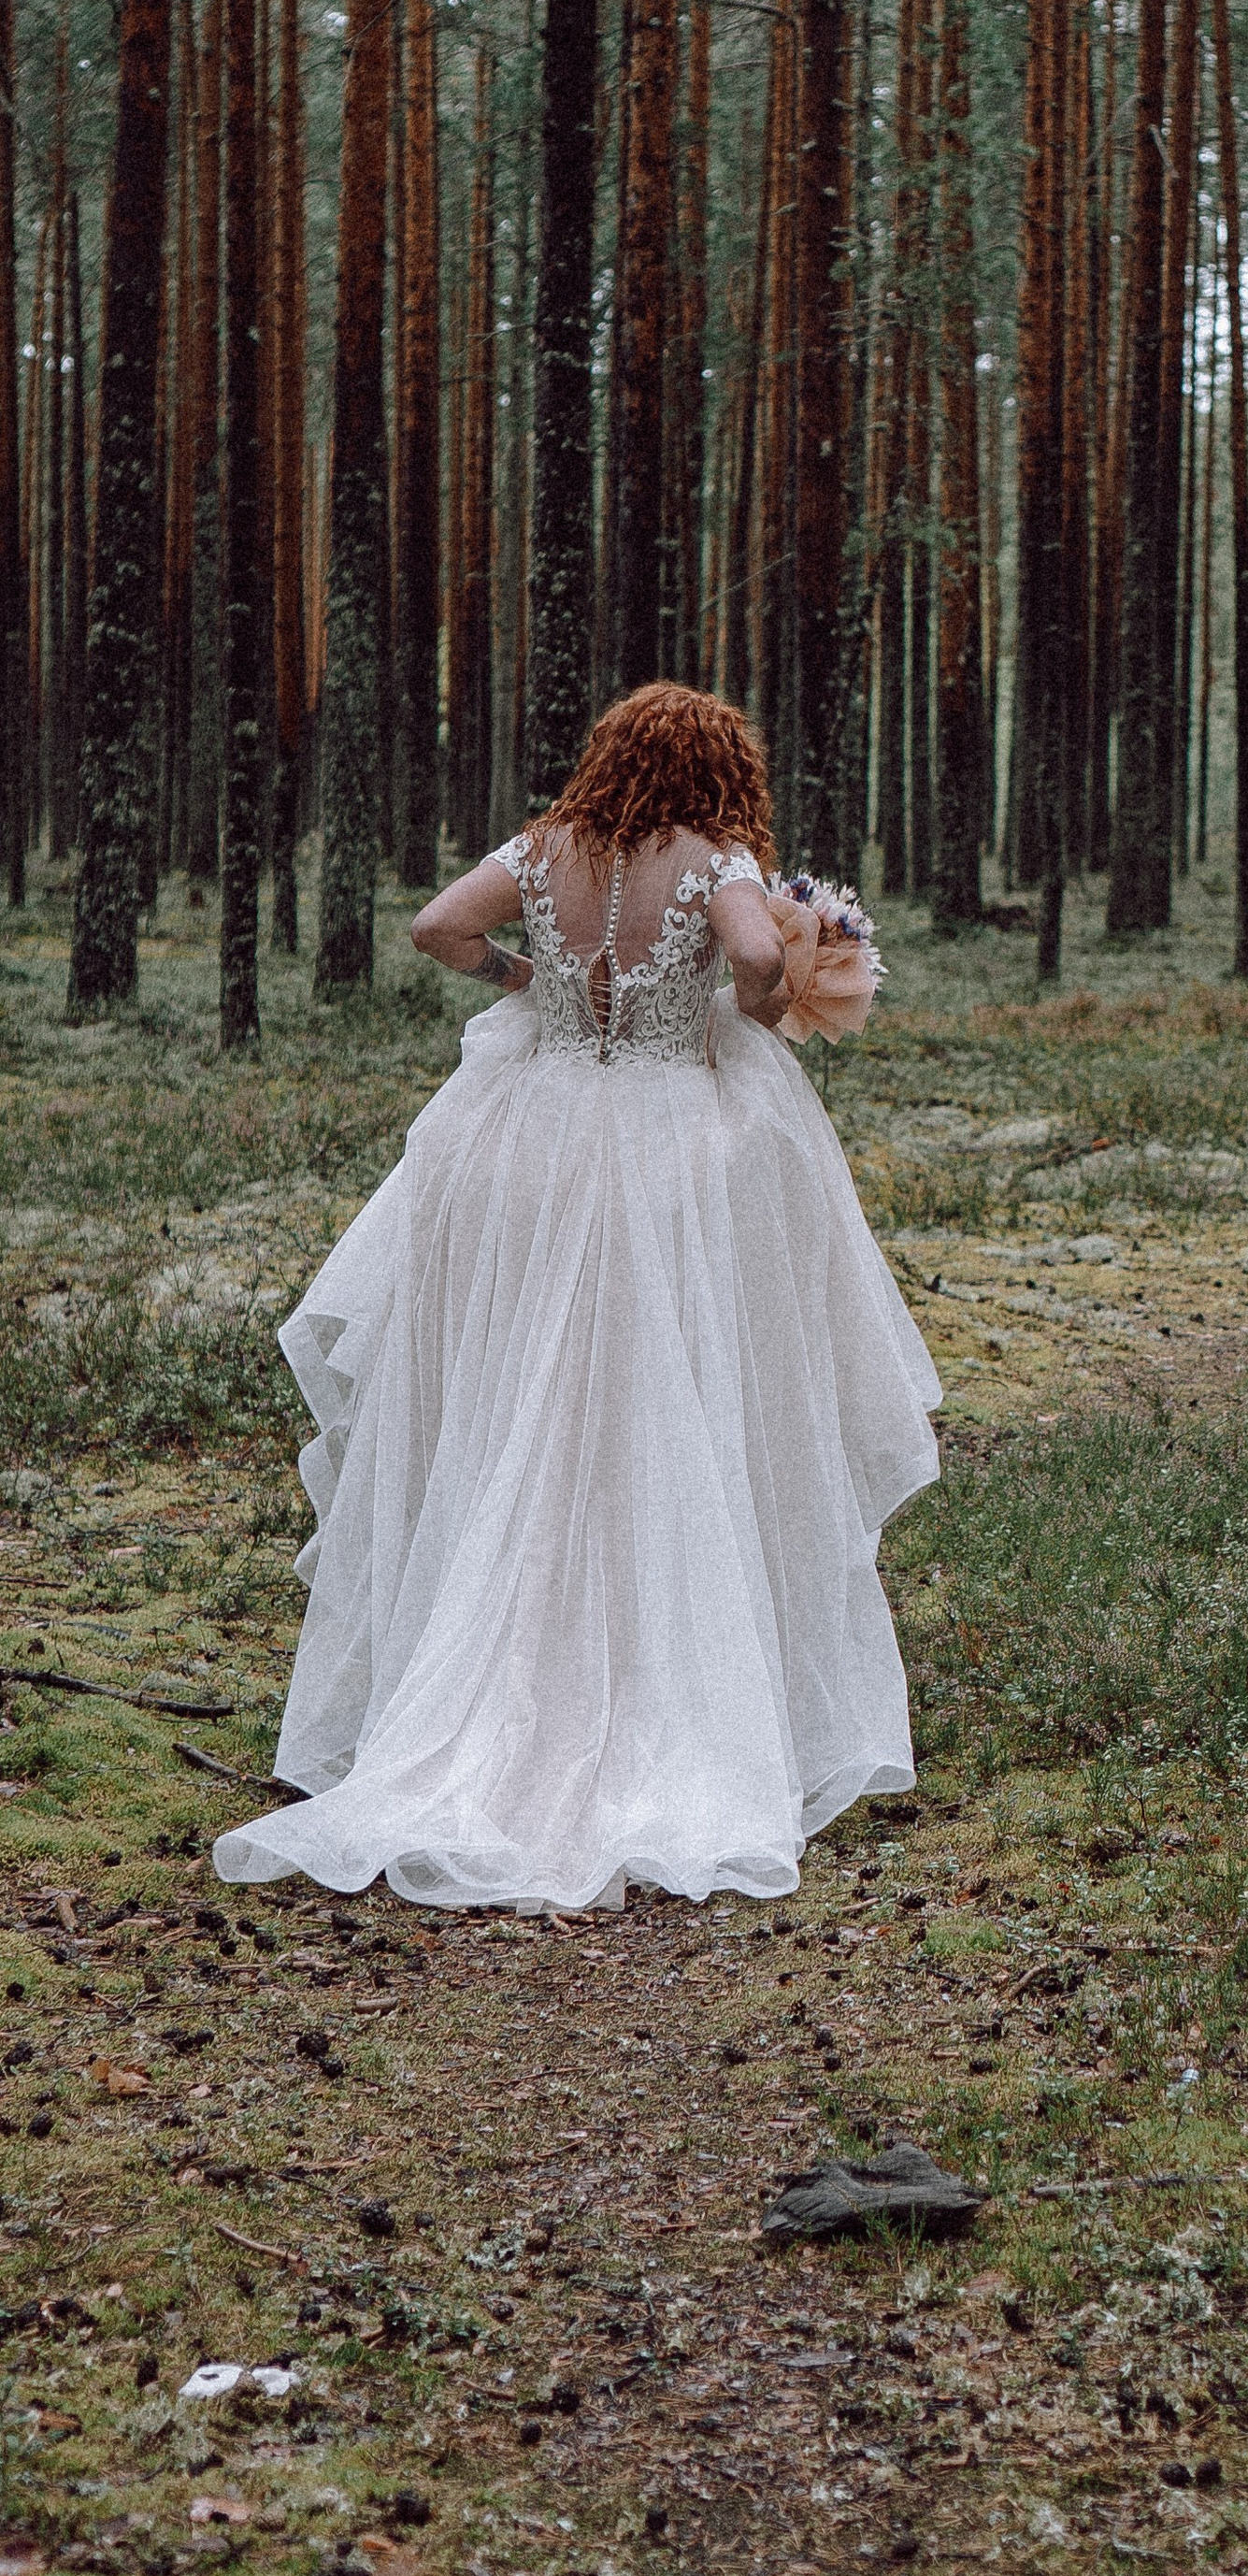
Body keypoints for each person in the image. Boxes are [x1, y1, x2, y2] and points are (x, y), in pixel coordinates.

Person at [215, 684, 940, 1914]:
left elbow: (433, 928)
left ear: (610, 759)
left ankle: (480, 1674)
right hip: (662, 1142)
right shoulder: (717, 859)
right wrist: (759, 1000)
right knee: (655, 1387)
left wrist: (524, 979)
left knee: (513, 1391)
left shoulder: (542, 847)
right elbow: (761, 959)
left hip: (531, 1133)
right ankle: (656, 1672)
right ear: (719, 769)